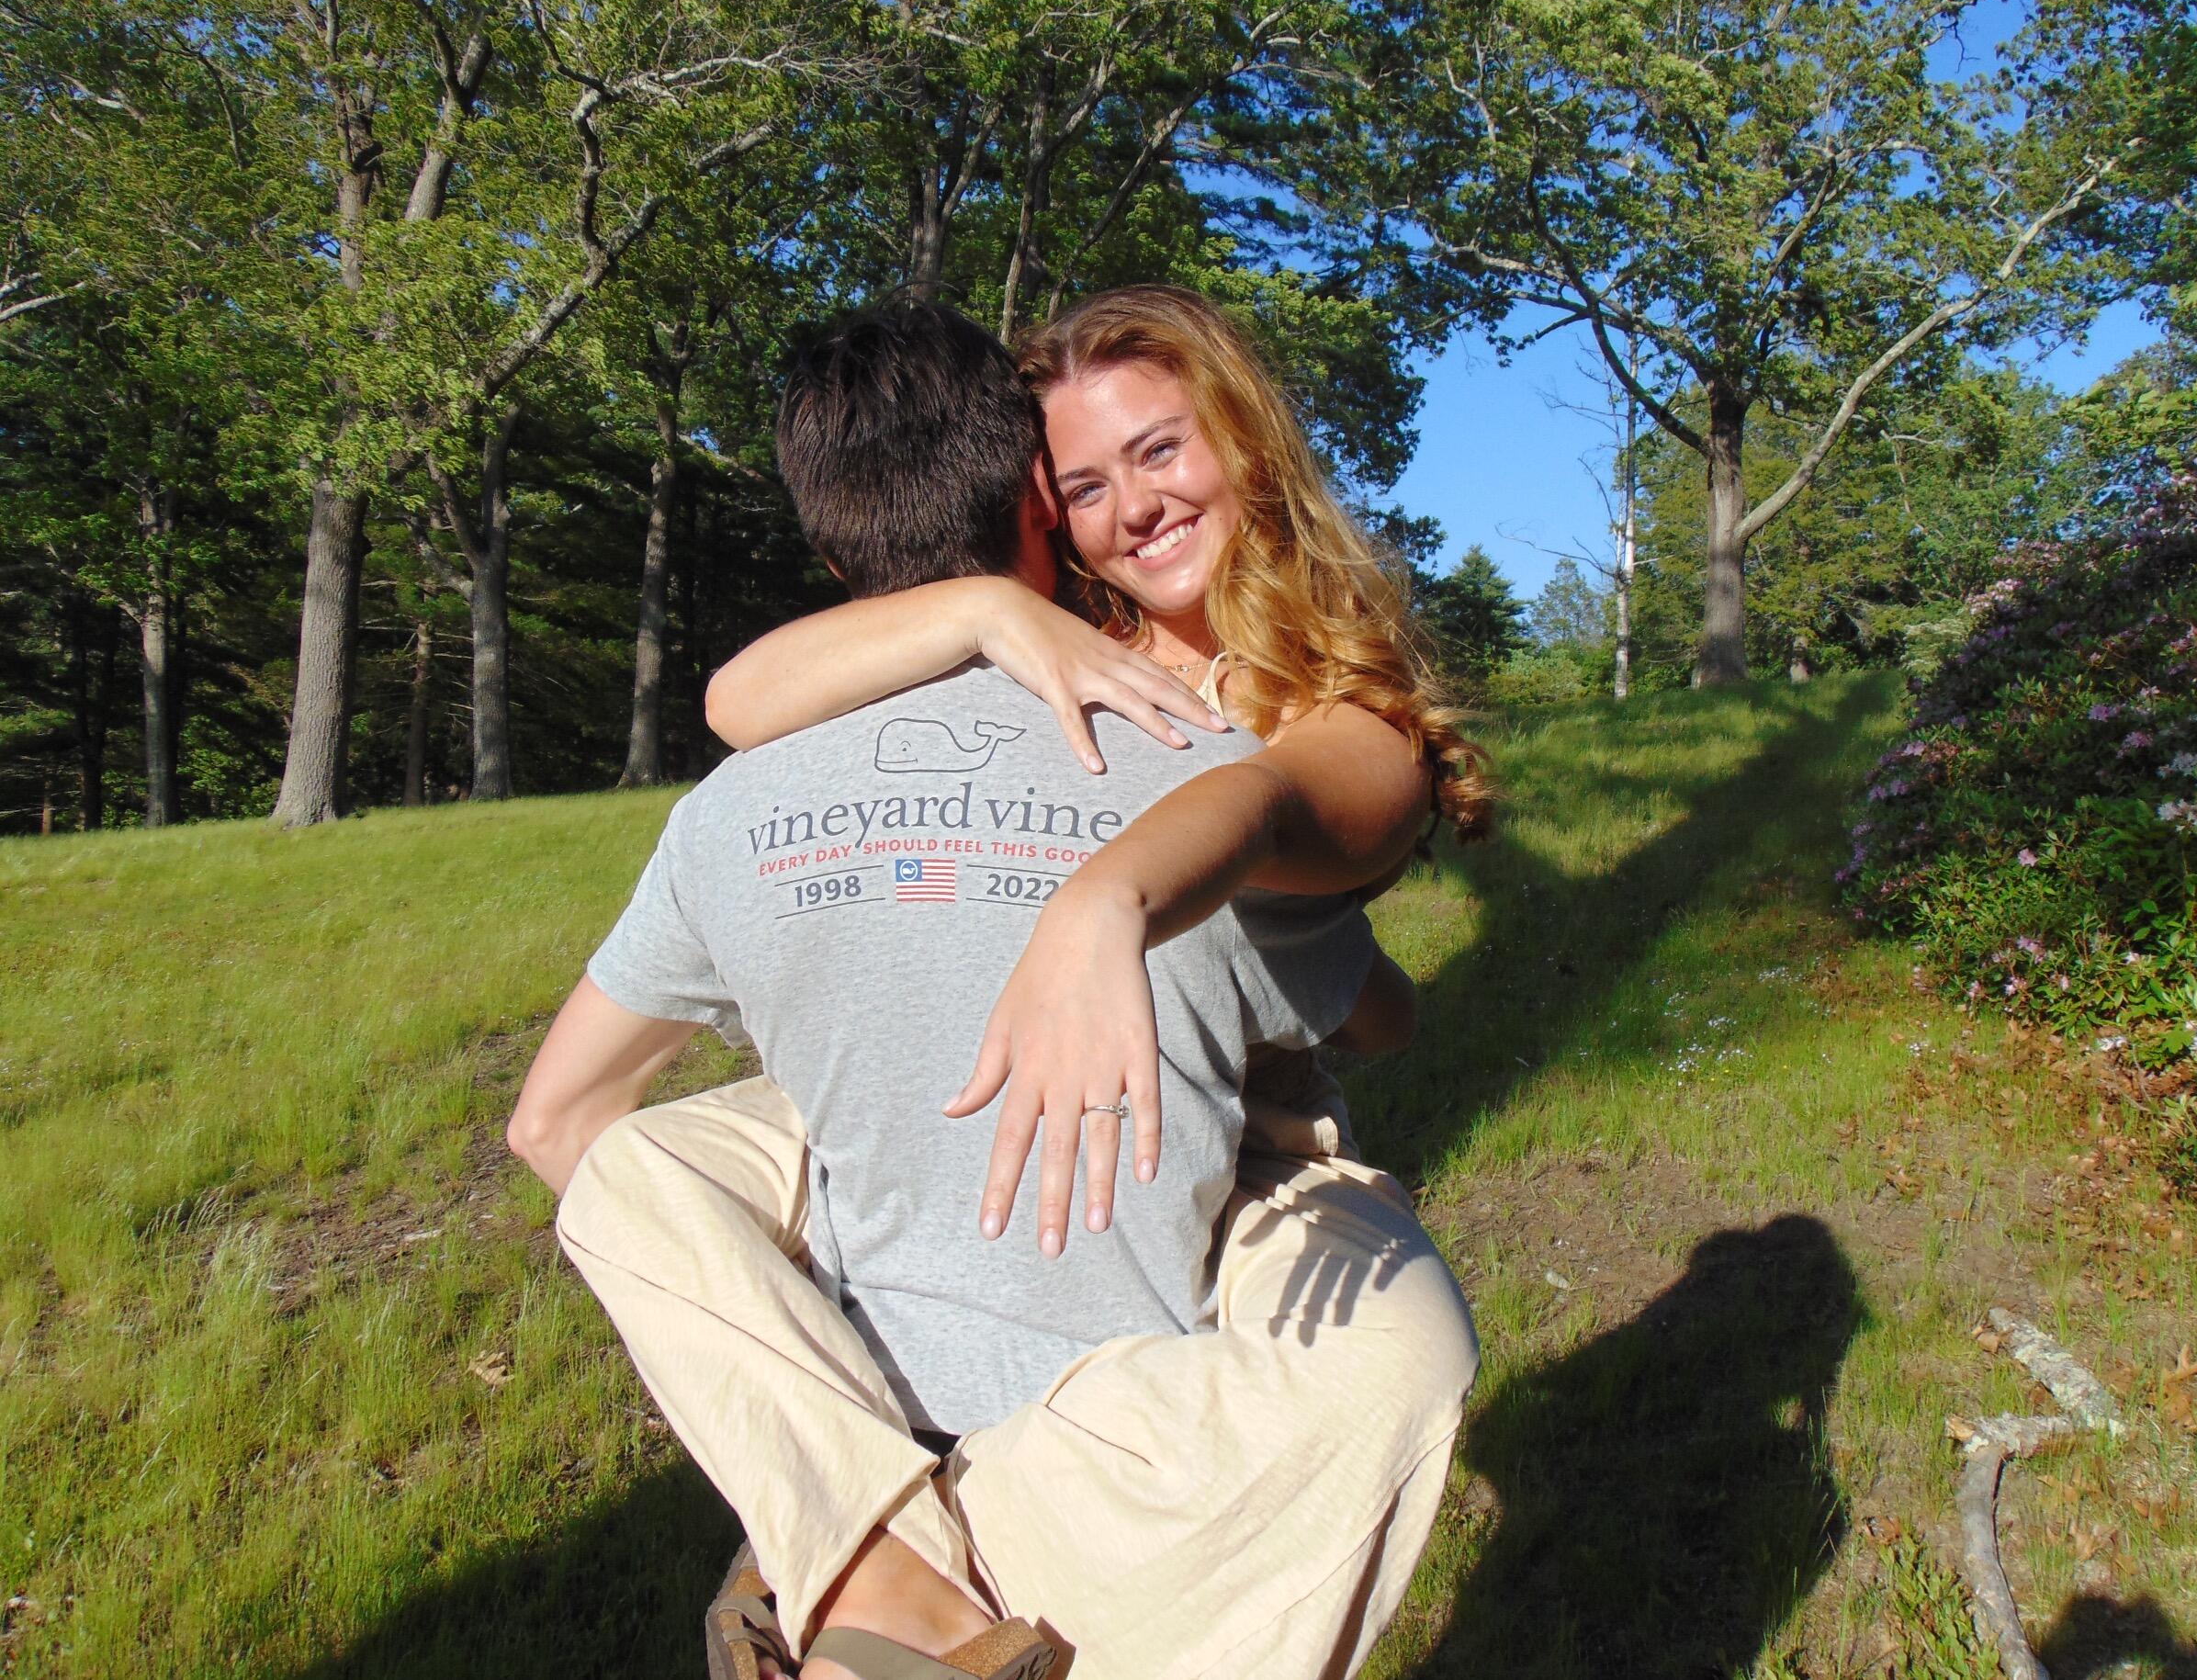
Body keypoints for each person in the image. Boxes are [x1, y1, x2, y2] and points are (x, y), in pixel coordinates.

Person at [511, 298, 1478, 1680]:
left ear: (1248, 445)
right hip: (983, 1080)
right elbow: (737, 698)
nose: (1131, 509)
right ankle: (888, 1580)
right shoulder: (1049, 626)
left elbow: (1280, 819)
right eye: (1086, 483)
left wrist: (1114, 897)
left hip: (1205, 1106)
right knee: (640, 1168)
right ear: (1039, 501)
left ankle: (866, 1570)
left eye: (1159, 453)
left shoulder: (1307, 703)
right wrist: (983, 609)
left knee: (1389, 1350)